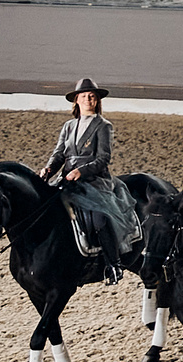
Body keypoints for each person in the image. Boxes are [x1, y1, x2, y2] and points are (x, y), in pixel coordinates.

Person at [40, 76, 131, 278]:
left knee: (99, 218)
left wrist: (81, 171)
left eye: (92, 96)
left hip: (93, 181)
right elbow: (59, 154)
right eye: (84, 96)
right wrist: (48, 169)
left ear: (97, 101)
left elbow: (103, 158)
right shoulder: (68, 126)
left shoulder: (104, 126)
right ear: (77, 100)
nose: (88, 99)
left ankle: (113, 264)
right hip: (67, 179)